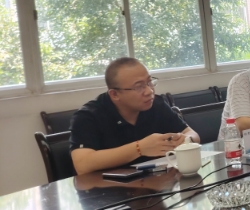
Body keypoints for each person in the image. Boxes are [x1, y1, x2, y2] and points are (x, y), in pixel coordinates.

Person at [70, 58, 199, 175]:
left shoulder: (156, 104)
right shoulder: (88, 116)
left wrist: (185, 141)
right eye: (139, 87)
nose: (149, 91)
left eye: (149, 82)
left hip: (157, 182)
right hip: (108, 189)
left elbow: (192, 134)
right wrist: (140, 148)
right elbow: (82, 164)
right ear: (115, 94)